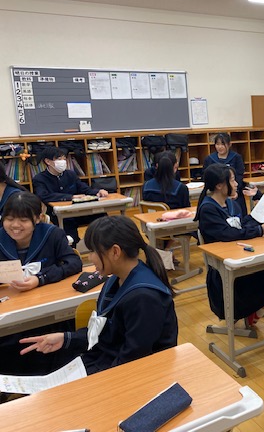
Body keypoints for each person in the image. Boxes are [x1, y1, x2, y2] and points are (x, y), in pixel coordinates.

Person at [19, 215, 178, 375]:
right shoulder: (116, 279)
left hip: (137, 375)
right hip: (108, 360)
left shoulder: (144, 297)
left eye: (93, 251)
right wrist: (66, 338)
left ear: (115, 252)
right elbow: (105, 331)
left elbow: (132, 360)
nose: (90, 258)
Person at [195, 164, 264, 328]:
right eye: (232, 180)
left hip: (241, 256)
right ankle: (252, 310)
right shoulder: (208, 209)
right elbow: (229, 234)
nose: (236, 184)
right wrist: (260, 230)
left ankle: (255, 309)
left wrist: (260, 215)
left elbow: (239, 225)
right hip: (226, 269)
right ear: (219, 185)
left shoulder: (229, 204)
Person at [0, 192, 84, 375]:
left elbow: (74, 263)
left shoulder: (52, 234)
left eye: (23, 220)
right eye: (9, 219)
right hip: (9, 313)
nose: (15, 225)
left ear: (37, 218)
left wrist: (41, 278)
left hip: (48, 313)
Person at [32, 146, 108, 245]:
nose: (63, 162)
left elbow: (84, 188)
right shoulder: (39, 179)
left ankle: (101, 244)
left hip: (78, 210)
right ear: (48, 161)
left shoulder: (70, 174)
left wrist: (98, 192)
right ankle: (73, 248)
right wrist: (70, 197)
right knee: (71, 236)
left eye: (64, 159)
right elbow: (43, 196)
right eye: (59, 159)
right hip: (58, 215)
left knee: (101, 216)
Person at [203, 132, 248, 216]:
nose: (220, 147)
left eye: (223, 144)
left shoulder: (236, 157)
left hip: (235, 192)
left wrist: (235, 191)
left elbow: (239, 175)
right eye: (217, 144)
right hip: (216, 193)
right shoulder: (209, 159)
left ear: (229, 144)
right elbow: (205, 176)